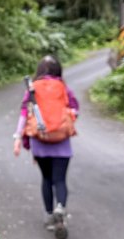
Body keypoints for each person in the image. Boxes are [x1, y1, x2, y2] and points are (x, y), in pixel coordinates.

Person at [13, 55, 79, 230]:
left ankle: (50, 216)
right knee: (60, 180)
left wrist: (18, 138)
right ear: (58, 70)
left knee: (47, 178)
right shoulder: (63, 87)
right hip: (62, 142)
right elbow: (75, 110)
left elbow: (24, 114)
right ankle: (61, 208)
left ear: (39, 70)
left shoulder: (32, 89)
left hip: (40, 142)